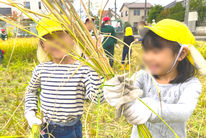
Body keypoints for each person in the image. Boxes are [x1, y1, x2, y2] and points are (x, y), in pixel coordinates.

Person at [103, 19, 206, 138]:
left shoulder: (190, 84)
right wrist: (115, 89)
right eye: (146, 50)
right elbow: (129, 88)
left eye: (156, 51)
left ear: (181, 54)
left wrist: (150, 108)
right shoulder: (144, 76)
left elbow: (184, 111)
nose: (148, 57)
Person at [25, 14, 104, 138]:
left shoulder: (83, 69)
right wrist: (30, 112)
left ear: (72, 38)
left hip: (72, 129)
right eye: (48, 38)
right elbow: (31, 91)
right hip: (46, 128)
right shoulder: (41, 69)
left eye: (60, 35)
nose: (56, 41)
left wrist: (95, 70)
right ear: (43, 45)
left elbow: (97, 98)